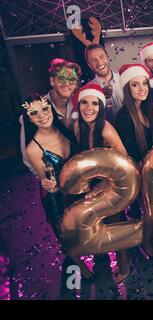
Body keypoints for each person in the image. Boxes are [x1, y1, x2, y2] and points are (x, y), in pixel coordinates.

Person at [22, 94, 94, 282]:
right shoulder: (33, 149)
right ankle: (78, 263)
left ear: (51, 109)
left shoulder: (67, 129)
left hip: (80, 188)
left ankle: (98, 252)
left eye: (45, 109)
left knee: (88, 225)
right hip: (56, 196)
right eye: (34, 113)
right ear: (29, 118)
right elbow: (47, 181)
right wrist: (50, 183)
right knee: (66, 233)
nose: (42, 115)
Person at [72, 83, 131, 283]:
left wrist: (104, 185)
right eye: (85, 103)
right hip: (89, 187)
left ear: (101, 107)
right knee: (96, 225)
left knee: (115, 227)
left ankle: (125, 265)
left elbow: (124, 160)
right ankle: (103, 256)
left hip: (110, 185)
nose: (89, 108)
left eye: (94, 104)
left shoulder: (106, 129)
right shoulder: (76, 126)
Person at [115, 64, 153, 258]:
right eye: (135, 85)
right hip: (138, 170)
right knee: (148, 211)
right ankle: (146, 242)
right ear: (127, 89)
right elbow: (128, 153)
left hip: (152, 168)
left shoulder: (149, 109)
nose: (142, 89)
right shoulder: (123, 116)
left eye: (144, 84)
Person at [20, 58, 81, 174]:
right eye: (61, 79)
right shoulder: (35, 110)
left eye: (72, 79)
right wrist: (47, 177)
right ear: (52, 81)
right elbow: (28, 158)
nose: (67, 84)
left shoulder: (80, 105)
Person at [85, 44, 124, 123]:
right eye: (94, 60)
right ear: (89, 65)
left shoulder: (125, 79)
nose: (99, 63)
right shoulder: (88, 90)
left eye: (101, 57)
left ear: (107, 57)